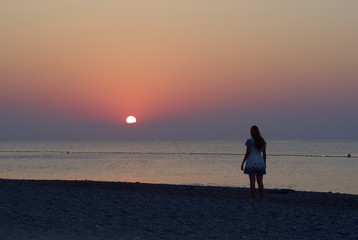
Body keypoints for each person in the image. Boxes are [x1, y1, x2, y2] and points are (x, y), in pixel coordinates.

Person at [241, 125, 267, 201]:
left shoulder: (250, 141)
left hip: (252, 161)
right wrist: (264, 163)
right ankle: (261, 198)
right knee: (260, 181)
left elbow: (247, 153)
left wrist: (243, 162)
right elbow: (264, 154)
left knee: (252, 181)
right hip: (260, 161)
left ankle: (253, 198)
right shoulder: (262, 141)